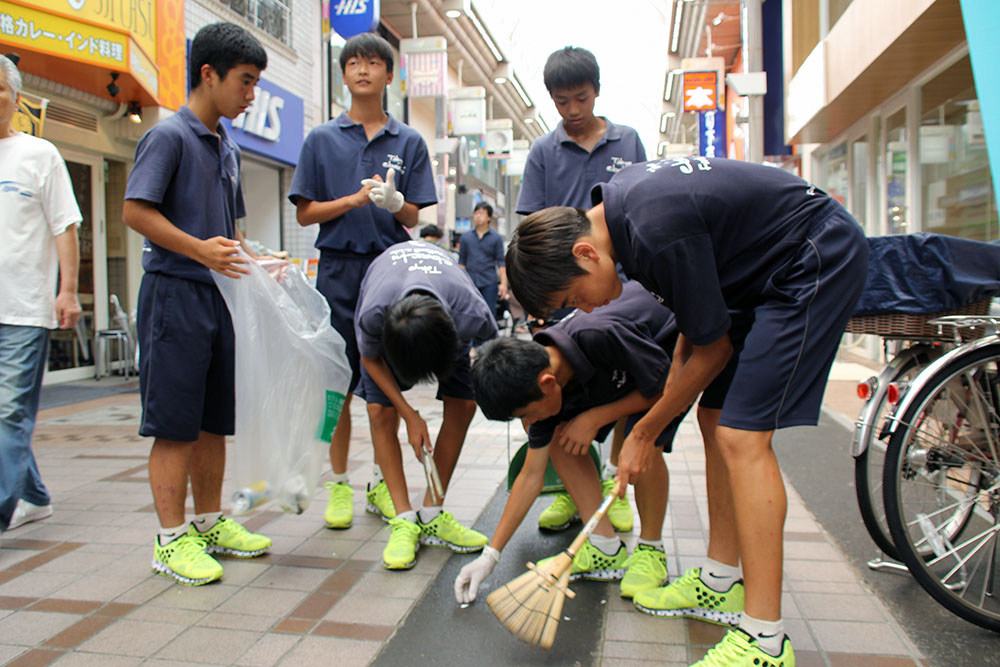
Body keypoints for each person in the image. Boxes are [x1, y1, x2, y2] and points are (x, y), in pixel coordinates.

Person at [505, 156, 869, 665]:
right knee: (715, 419)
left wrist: (643, 432)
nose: (583, 309)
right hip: (752, 277)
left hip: (807, 256)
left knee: (743, 437)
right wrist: (653, 423)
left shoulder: (653, 231)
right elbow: (690, 336)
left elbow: (713, 350)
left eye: (573, 297)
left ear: (586, 253)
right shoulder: (622, 222)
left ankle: (764, 641)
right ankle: (721, 583)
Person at [122, 22, 272, 585]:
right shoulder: (169, 136)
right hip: (174, 294)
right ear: (208, 74)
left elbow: (229, 232)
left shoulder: (225, 144)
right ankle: (169, 539)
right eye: (246, 82)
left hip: (218, 295)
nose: (251, 95)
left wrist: (259, 264)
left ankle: (207, 524)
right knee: (175, 423)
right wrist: (200, 252)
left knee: (213, 420)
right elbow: (135, 212)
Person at [288, 32, 436, 531]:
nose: (363, 70)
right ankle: (338, 485)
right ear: (344, 73)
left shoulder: (409, 141)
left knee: (383, 386)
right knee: (336, 385)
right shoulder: (320, 139)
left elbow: (415, 210)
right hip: (336, 272)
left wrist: (396, 206)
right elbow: (306, 213)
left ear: (389, 75)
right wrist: (352, 201)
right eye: (353, 63)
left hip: (390, 271)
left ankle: (379, 480)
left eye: (373, 63)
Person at [455, 281, 682, 604]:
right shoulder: (539, 378)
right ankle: (605, 548)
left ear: (548, 383)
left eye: (528, 416)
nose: (531, 423)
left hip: (674, 355)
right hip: (633, 375)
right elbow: (530, 475)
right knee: (561, 438)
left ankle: (651, 550)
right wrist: (491, 555)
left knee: (643, 441)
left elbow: (666, 388)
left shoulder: (598, 334)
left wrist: (596, 417)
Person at [515, 46, 648, 535]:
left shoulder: (627, 140)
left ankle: (615, 488)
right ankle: (577, 493)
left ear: (597, 90)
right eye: (561, 101)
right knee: (571, 389)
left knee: (624, 380)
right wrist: (533, 299)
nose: (572, 110)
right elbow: (529, 228)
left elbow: (642, 209)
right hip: (565, 287)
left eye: (581, 98)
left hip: (622, 284)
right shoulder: (543, 152)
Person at [354, 240, 497, 569]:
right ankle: (404, 519)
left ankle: (431, 513)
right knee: (379, 411)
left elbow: (493, 358)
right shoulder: (374, 313)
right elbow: (369, 356)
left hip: (444, 318)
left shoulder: (471, 313)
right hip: (392, 304)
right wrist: (409, 414)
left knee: (463, 405)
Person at [0, 53, 81, 539]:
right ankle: (34, 494)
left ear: (14, 97)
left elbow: (64, 225)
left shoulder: (39, 154)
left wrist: (67, 291)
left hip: (24, 307)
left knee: (10, 409)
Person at [458, 202, 506, 320]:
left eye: (481, 213)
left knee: (489, 313)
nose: (478, 216)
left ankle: (491, 338)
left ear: (489, 217)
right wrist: (460, 282)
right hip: (470, 281)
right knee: (470, 313)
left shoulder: (496, 238)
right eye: (476, 213)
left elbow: (501, 262)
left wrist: (503, 284)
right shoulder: (465, 237)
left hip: (489, 281)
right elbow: (462, 262)